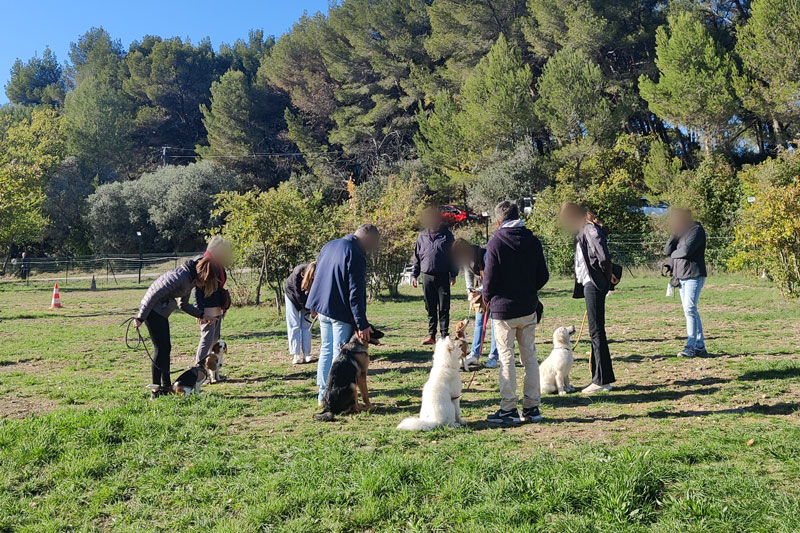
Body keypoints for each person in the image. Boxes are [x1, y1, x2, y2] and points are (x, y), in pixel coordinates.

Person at [482, 201, 549, 424]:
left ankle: (509, 408)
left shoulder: (496, 243)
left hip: (504, 310)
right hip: (528, 308)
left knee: (506, 358)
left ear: (499, 220)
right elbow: (543, 276)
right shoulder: (533, 241)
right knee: (529, 357)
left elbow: (489, 280)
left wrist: (487, 297)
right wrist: (529, 289)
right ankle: (532, 407)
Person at [307, 224, 380, 404]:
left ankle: (323, 395)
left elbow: (319, 276)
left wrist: (314, 303)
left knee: (326, 350)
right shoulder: (355, 253)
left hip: (323, 308)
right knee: (339, 355)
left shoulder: (329, 245)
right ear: (368, 239)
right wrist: (361, 323)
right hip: (340, 312)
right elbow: (356, 293)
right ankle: (335, 399)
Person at [133, 257, 222, 398]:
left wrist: (202, 315)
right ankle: (155, 391)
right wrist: (140, 317)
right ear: (204, 274)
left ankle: (166, 387)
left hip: (161, 313)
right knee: (160, 349)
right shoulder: (181, 277)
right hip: (152, 312)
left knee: (166, 348)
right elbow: (153, 295)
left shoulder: (190, 279)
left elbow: (183, 305)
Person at [559, 202, 618, 394]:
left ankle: (601, 380)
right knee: (596, 332)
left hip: (593, 284)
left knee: (596, 332)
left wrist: (606, 280)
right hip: (589, 284)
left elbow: (603, 257)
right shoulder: (583, 232)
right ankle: (602, 378)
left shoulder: (590, 231)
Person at [664, 208, 707, 357]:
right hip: (681, 275)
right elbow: (667, 250)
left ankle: (691, 346)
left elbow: (686, 252)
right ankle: (700, 346)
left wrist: (674, 255)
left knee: (689, 309)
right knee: (690, 310)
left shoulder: (696, 230)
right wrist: (674, 234)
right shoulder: (680, 233)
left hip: (694, 274)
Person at [411, 207, 458, 345]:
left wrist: (453, 274)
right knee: (430, 306)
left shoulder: (447, 235)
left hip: (443, 276)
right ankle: (431, 335)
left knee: (444, 307)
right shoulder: (422, 236)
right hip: (427, 276)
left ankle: (444, 336)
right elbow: (417, 257)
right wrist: (415, 274)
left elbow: (453, 256)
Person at [452, 238, 499, 369]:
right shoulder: (466, 259)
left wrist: (479, 290)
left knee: (494, 324)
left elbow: (491, 277)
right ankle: (474, 353)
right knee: (479, 323)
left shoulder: (484, 255)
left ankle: (493, 357)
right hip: (481, 294)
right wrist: (469, 290)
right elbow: (468, 273)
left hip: (494, 292)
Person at [194, 236, 233, 367]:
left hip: (217, 308)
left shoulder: (218, 265)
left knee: (214, 341)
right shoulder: (204, 262)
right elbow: (197, 289)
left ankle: (212, 371)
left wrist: (223, 307)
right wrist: (199, 312)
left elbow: (219, 288)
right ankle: (199, 369)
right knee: (206, 340)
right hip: (207, 309)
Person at [285, 262, 316, 364]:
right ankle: (296, 355)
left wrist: (314, 307)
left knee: (306, 324)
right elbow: (298, 295)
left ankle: (307, 354)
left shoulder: (319, 274)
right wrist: (309, 308)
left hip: (306, 299)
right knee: (294, 324)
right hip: (292, 295)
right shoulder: (297, 273)